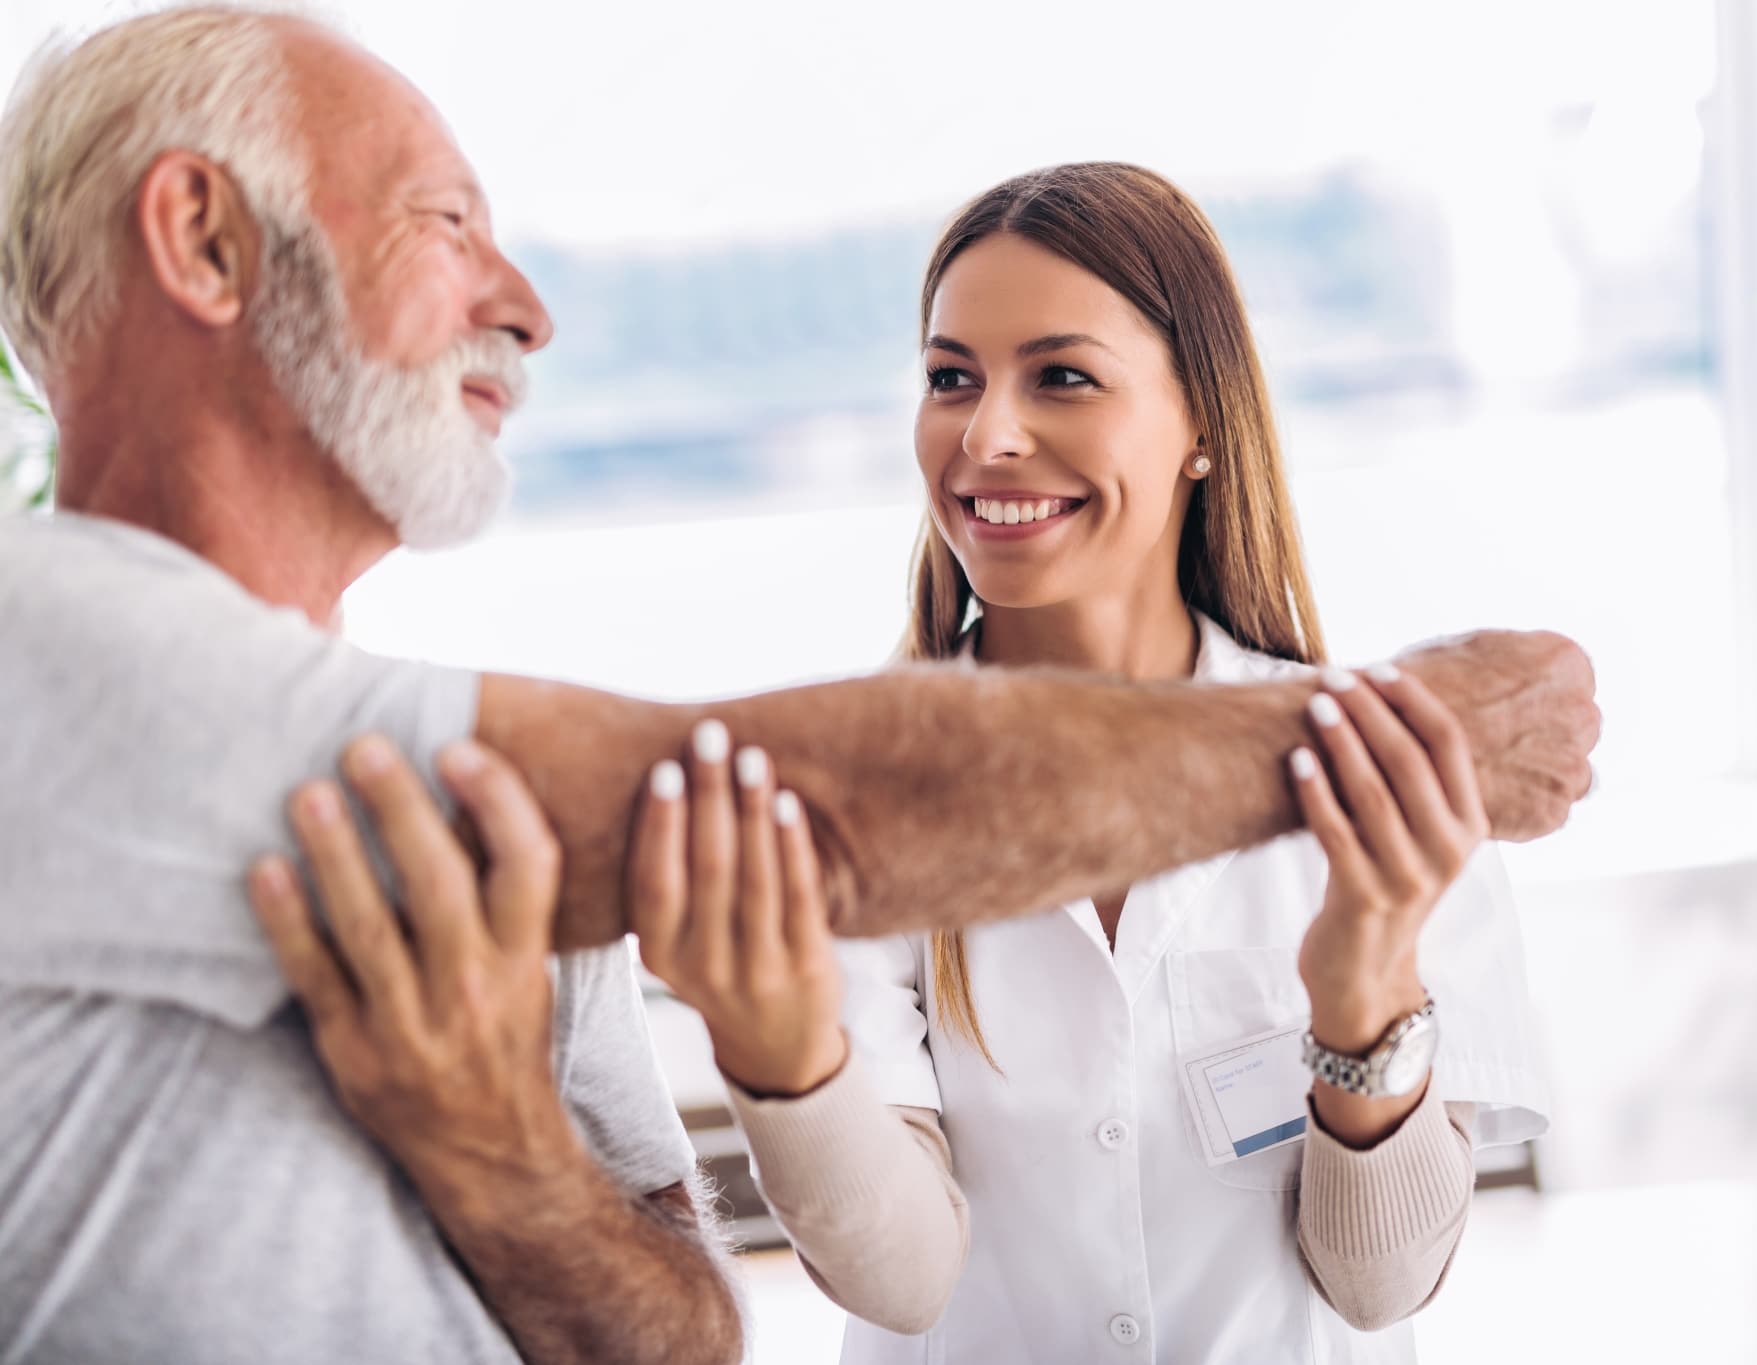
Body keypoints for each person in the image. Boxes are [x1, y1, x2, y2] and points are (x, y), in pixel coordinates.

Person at [0, 6, 1598, 1363]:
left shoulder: (494, 803)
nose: (528, 304)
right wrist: (1397, 740)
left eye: (1063, 376)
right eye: (442, 221)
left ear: (1203, 424)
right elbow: (823, 808)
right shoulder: (49, 645)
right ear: (204, 238)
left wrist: (495, 1157)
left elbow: (689, 1337)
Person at [629, 164, 1548, 1364]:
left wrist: (1362, 979)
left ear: (1202, 427)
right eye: (950, 378)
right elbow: (898, 1280)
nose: (986, 436)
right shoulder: (850, 791)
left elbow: (1378, 1287)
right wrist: (774, 1049)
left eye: (1060, 377)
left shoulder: (1390, 781)